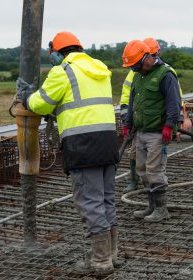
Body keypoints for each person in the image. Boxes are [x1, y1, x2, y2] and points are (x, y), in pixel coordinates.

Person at [20, 31, 119, 275]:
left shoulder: (63, 72)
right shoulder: (99, 69)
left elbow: (40, 103)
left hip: (82, 145)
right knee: (106, 199)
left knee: (89, 202)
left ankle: (100, 262)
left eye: (51, 52)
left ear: (57, 51)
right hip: (108, 142)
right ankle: (111, 255)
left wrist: (25, 96)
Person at [121, 39, 180, 222]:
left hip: (157, 133)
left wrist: (169, 126)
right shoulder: (139, 76)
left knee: (155, 171)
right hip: (141, 132)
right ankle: (152, 206)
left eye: (136, 66)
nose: (134, 70)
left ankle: (162, 210)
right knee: (142, 170)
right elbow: (132, 104)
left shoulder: (165, 75)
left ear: (147, 58)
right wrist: (128, 124)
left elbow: (174, 103)